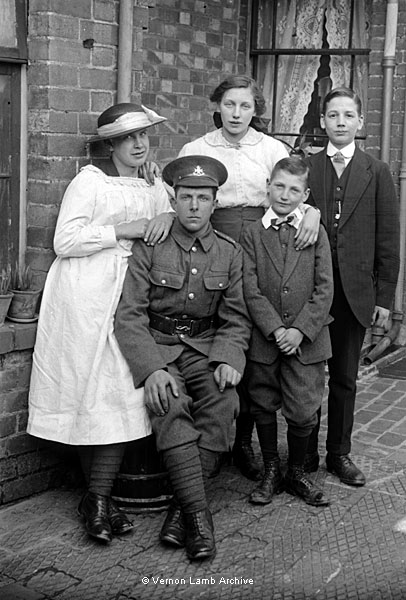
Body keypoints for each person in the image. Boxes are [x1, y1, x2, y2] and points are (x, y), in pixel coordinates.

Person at [27, 103, 174, 543]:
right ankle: (100, 502)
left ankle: (97, 499)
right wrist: (123, 229)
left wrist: (163, 214)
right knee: (92, 394)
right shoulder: (90, 181)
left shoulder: (152, 182)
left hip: (130, 295)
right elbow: (65, 240)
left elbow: (170, 214)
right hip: (86, 296)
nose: (138, 144)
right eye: (128, 138)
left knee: (121, 396)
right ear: (110, 145)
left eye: (143, 136)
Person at [177, 74, 321, 482]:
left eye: (245, 106)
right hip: (212, 241)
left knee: (253, 335)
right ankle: (213, 436)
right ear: (217, 106)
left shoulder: (272, 149)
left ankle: (243, 441)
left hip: (262, 242)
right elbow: (176, 197)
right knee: (221, 327)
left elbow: (292, 192)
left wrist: (312, 212)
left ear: (256, 110)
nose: (236, 113)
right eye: (229, 104)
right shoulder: (197, 149)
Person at [114, 155, 251, 561]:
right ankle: (198, 516)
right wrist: (151, 369)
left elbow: (236, 318)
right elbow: (130, 315)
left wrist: (229, 358)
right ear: (173, 201)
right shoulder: (151, 246)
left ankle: (182, 509)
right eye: (187, 197)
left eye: (203, 198)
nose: (194, 206)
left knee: (224, 400)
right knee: (168, 402)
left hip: (205, 349)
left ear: (215, 203)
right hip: (159, 347)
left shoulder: (229, 252)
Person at [305, 87, 400, 486]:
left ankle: (338, 454)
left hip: (354, 292)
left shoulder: (376, 171)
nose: (340, 122)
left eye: (348, 115)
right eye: (333, 115)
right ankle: (303, 455)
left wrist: (383, 298)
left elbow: (388, 239)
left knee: (344, 377)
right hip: (311, 291)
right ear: (322, 121)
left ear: (360, 121)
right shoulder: (307, 167)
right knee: (307, 376)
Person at [242, 156, 333, 507]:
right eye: (279, 186)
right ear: (268, 186)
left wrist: (299, 331)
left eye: (294, 189)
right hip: (266, 339)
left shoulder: (314, 232)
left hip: (306, 341)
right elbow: (249, 287)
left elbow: (324, 288)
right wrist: (275, 328)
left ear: (305, 195)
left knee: (304, 406)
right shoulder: (252, 233)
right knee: (262, 401)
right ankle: (271, 470)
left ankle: (297, 472)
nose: (284, 195)